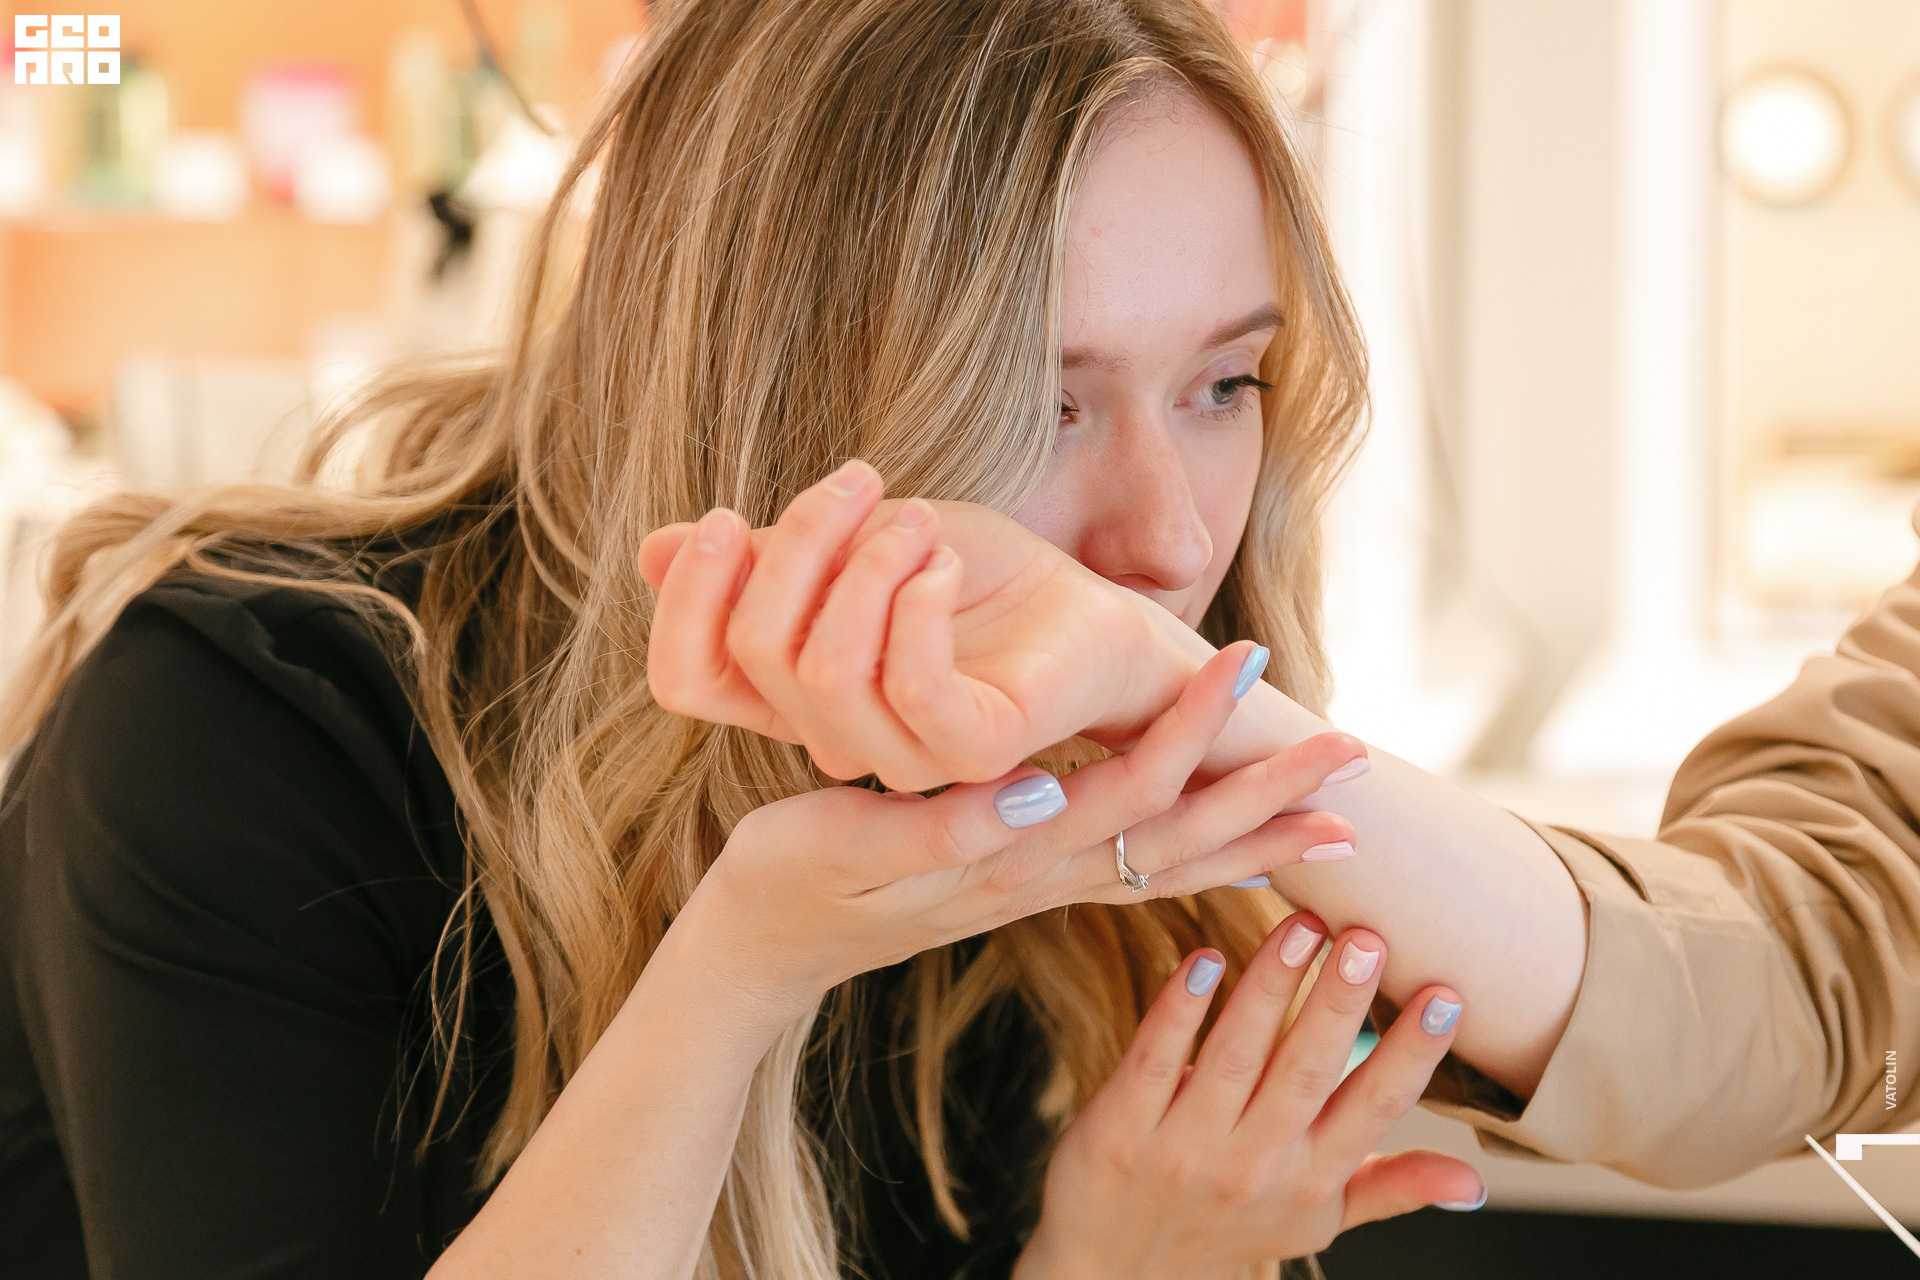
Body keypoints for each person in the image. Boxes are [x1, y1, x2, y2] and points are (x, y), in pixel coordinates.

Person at [0, 3, 1488, 1279]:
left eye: (1225, 385)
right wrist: (734, 980)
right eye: (1039, 402)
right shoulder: (237, 727)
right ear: (761, 394)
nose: (1167, 541)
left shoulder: (1057, 806)